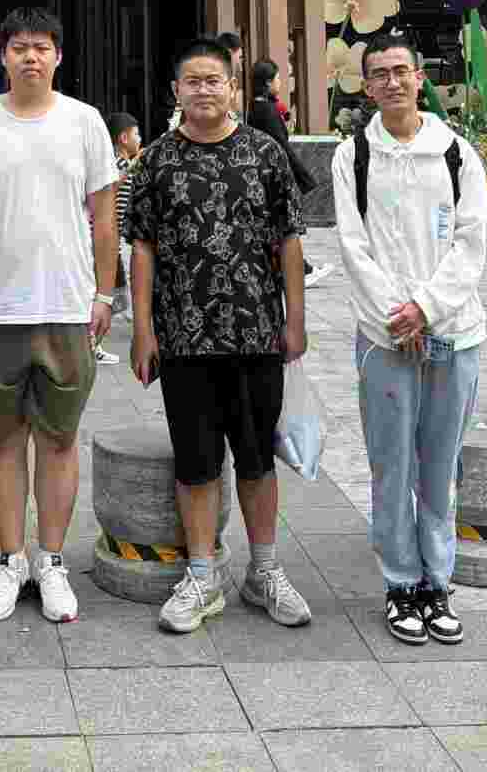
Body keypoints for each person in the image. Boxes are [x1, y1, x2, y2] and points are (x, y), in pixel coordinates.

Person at [129, 37, 312, 635]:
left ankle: (264, 572)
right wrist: (143, 329)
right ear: (175, 91)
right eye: (193, 81)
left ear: (232, 88)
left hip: (257, 335)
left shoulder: (264, 153)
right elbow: (142, 248)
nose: (204, 90)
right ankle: (202, 575)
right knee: (196, 464)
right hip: (183, 340)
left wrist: (295, 320)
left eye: (214, 80)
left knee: (257, 461)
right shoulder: (156, 160)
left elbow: (289, 240)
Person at [0, 4, 119, 624]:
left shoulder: (84, 122)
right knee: (3, 438)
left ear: (58, 56)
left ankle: (52, 561)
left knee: (60, 439)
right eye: (19, 47)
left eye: (41, 47)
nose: (31, 57)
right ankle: (10, 559)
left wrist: (104, 294)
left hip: (67, 305)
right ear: (3, 56)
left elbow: (104, 213)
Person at [332, 26, 487, 649]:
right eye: (380, 73)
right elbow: (352, 246)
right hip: (384, 337)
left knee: (440, 464)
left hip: (454, 332)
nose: (392, 82)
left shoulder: (457, 154)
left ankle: (437, 582)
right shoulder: (353, 157)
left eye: (402, 71)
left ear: (420, 78)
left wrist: (425, 307)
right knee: (392, 464)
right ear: (366, 86)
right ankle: (401, 582)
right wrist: (397, 317)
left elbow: (470, 243)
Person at [223, 32, 331, 290]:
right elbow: (281, 148)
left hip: (261, 178)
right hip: (270, 180)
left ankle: (297, 270)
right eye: (278, 77)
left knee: (275, 232)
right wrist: (303, 177)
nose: (281, 82)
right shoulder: (265, 110)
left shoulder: (257, 107)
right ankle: (299, 271)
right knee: (281, 230)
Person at [105, 111, 140, 324]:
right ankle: (128, 313)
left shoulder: (126, 164)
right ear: (124, 138)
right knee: (128, 272)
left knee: (126, 272)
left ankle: (126, 311)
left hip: (122, 233)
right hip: (119, 232)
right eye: (136, 134)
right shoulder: (118, 164)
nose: (140, 139)